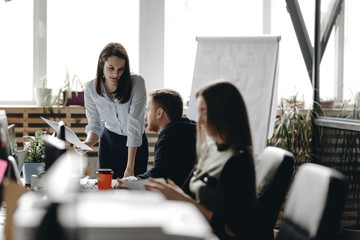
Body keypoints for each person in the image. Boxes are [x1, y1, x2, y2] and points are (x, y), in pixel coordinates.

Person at [145, 81, 256, 240]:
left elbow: (234, 229)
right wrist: (170, 192)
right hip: (191, 227)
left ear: (222, 114)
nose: (200, 121)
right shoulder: (211, 151)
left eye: (204, 113)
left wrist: (183, 200)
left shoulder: (238, 160)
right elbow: (186, 194)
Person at [75, 42, 148, 179]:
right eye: (111, 68)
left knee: (133, 194)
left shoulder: (137, 83)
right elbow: (95, 124)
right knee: (106, 192)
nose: (116, 74)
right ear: (101, 63)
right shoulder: (91, 88)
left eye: (121, 69)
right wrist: (88, 143)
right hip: (109, 144)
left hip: (135, 147)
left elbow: (134, 126)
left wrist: (129, 167)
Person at [115, 88, 197, 188]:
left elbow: (158, 177)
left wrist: (130, 183)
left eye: (148, 110)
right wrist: (134, 179)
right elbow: (161, 170)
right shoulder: (185, 130)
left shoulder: (169, 139)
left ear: (159, 113)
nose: (145, 117)